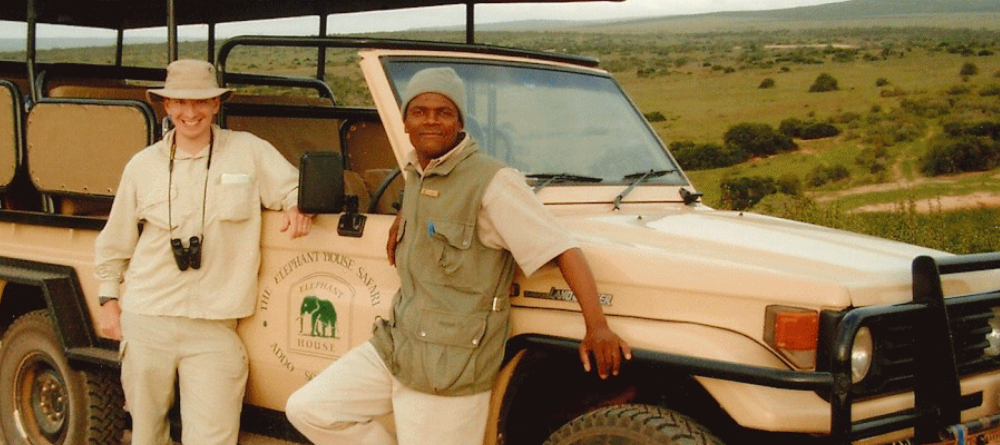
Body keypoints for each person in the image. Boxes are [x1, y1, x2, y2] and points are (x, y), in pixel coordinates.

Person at [285, 67, 630, 445]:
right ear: (404, 122)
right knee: (311, 409)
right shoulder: (418, 171)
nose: (431, 120)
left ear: (460, 122)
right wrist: (405, 217)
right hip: (399, 344)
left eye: (443, 112)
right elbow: (439, 209)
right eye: (420, 111)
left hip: (451, 364)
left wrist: (596, 325)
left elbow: (562, 248)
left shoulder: (493, 182)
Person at [94, 59, 312, 445]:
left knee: (213, 436)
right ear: (166, 106)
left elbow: (293, 187)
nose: (189, 113)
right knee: (146, 433)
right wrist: (109, 301)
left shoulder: (249, 151)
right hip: (149, 319)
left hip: (215, 326)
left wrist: (297, 205)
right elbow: (116, 241)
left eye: (200, 102)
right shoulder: (142, 166)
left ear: (216, 105)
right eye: (179, 102)